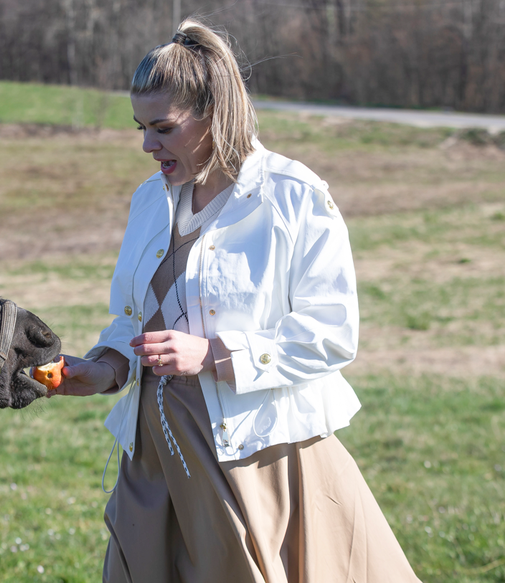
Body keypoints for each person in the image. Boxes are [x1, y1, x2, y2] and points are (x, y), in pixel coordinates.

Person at [52, 18, 422, 583]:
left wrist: (214, 355)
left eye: (163, 127)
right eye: (140, 128)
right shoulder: (150, 200)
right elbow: (133, 321)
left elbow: (330, 334)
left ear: (214, 113)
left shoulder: (294, 197)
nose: (148, 145)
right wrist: (103, 368)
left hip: (256, 459)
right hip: (153, 457)